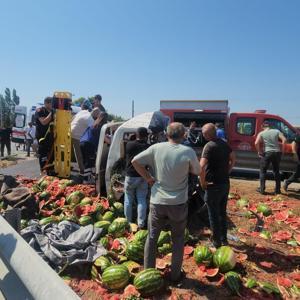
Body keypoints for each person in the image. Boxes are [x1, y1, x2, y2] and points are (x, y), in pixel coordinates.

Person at [132, 122, 200, 283]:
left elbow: (135, 161)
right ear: (184, 134)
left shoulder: (156, 148)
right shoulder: (188, 151)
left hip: (157, 202)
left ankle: (148, 275)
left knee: (152, 237)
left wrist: (148, 178)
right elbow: (197, 171)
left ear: (167, 134)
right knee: (177, 239)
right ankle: (175, 276)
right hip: (178, 203)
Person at [200, 123, 235, 248]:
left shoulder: (209, 146)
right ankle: (224, 239)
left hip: (212, 184)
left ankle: (216, 242)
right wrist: (228, 171)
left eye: (203, 133)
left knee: (213, 214)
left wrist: (202, 182)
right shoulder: (224, 143)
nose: (203, 135)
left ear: (207, 134)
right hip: (225, 183)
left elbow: (202, 166)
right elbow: (233, 159)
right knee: (222, 212)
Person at [124, 127, 149, 229]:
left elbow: (128, 145)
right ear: (146, 135)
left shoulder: (130, 145)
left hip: (130, 176)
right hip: (143, 176)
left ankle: (128, 223)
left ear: (136, 134)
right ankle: (141, 224)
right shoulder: (148, 147)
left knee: (128, 200)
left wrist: (133, 138)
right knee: (141, 200)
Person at [255, 121, 286, 195]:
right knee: (276, 171)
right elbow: (284, 140)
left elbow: (256, 143)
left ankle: (262, 189)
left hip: (267, 153)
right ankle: (277, 190)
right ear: (270, 126)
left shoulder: (261, 133)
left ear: (263, 127)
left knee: (263, 171)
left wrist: (259, 151)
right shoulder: (276, 131)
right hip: (277, 153)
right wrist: (282, 150)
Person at [80, 109, 108, 183]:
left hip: (82, 142)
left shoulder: (94, 124)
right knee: (89, 162)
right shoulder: (101, 126)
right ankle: (86, 180)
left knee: (87, 161)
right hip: (89, 144)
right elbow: (107, 140)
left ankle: (89, 178)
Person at [71, 99, 94, 176]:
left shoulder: (79, 113)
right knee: (82, 154)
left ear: (82, 106)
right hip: (78, 136)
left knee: (77, 154)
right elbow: (93, 127)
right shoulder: (88, 115)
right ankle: (83, 171)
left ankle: (81, 169)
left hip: (71, 134)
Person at [35, 97, 54, 173]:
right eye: (51, 103)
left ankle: (50, 171)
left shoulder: (52, 111)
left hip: (51, 136)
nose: (53, 105)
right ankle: (43, 171)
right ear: (46, 103)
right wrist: (52, 113)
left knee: (51, 154)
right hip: (42, 137)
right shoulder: (40, 110)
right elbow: (44, 122)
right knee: (43, 154)